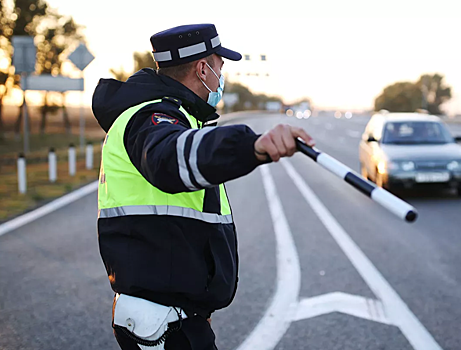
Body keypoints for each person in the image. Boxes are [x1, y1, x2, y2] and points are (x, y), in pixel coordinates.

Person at [91, 24, 315, 350]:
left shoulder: (177, 116)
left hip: (176, 317)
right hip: (161, 323)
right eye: (220, 68)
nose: (222, 78)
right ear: (202, 68)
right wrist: (251, 146)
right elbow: (170, 157)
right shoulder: (150, 118)